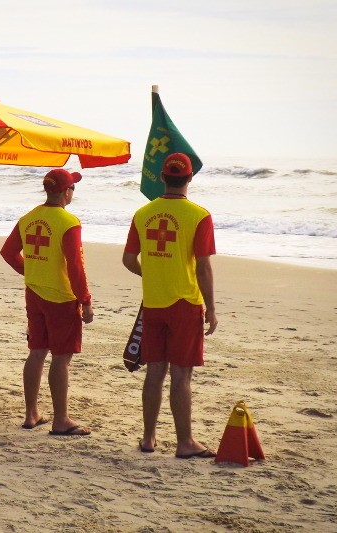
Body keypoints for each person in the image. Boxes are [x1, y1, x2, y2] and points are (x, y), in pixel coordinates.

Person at [122, 152, 218, 457]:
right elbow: (203, 267)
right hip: (185, 303)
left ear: (162, 177)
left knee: (155, 372)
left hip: (153, 303)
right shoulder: (199, 216)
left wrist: (150, 275)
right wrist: (212, 309)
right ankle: (185, 442)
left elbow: (128, 260)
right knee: (181, 376)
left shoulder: (142, 214)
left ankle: (148, 438)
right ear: (190, 178)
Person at [0, 168, 94, 436]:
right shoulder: (68, 222)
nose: (73, 192)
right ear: (66, 192)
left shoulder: (29, 218)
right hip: (61, 297)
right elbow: (75, 266)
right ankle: (61, 419)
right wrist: (85, 300)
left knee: (37, 351)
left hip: (34, 293)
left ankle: (31, 414)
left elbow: (8, 252)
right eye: (72, 188)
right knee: (61, 358)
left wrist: (28, 271)